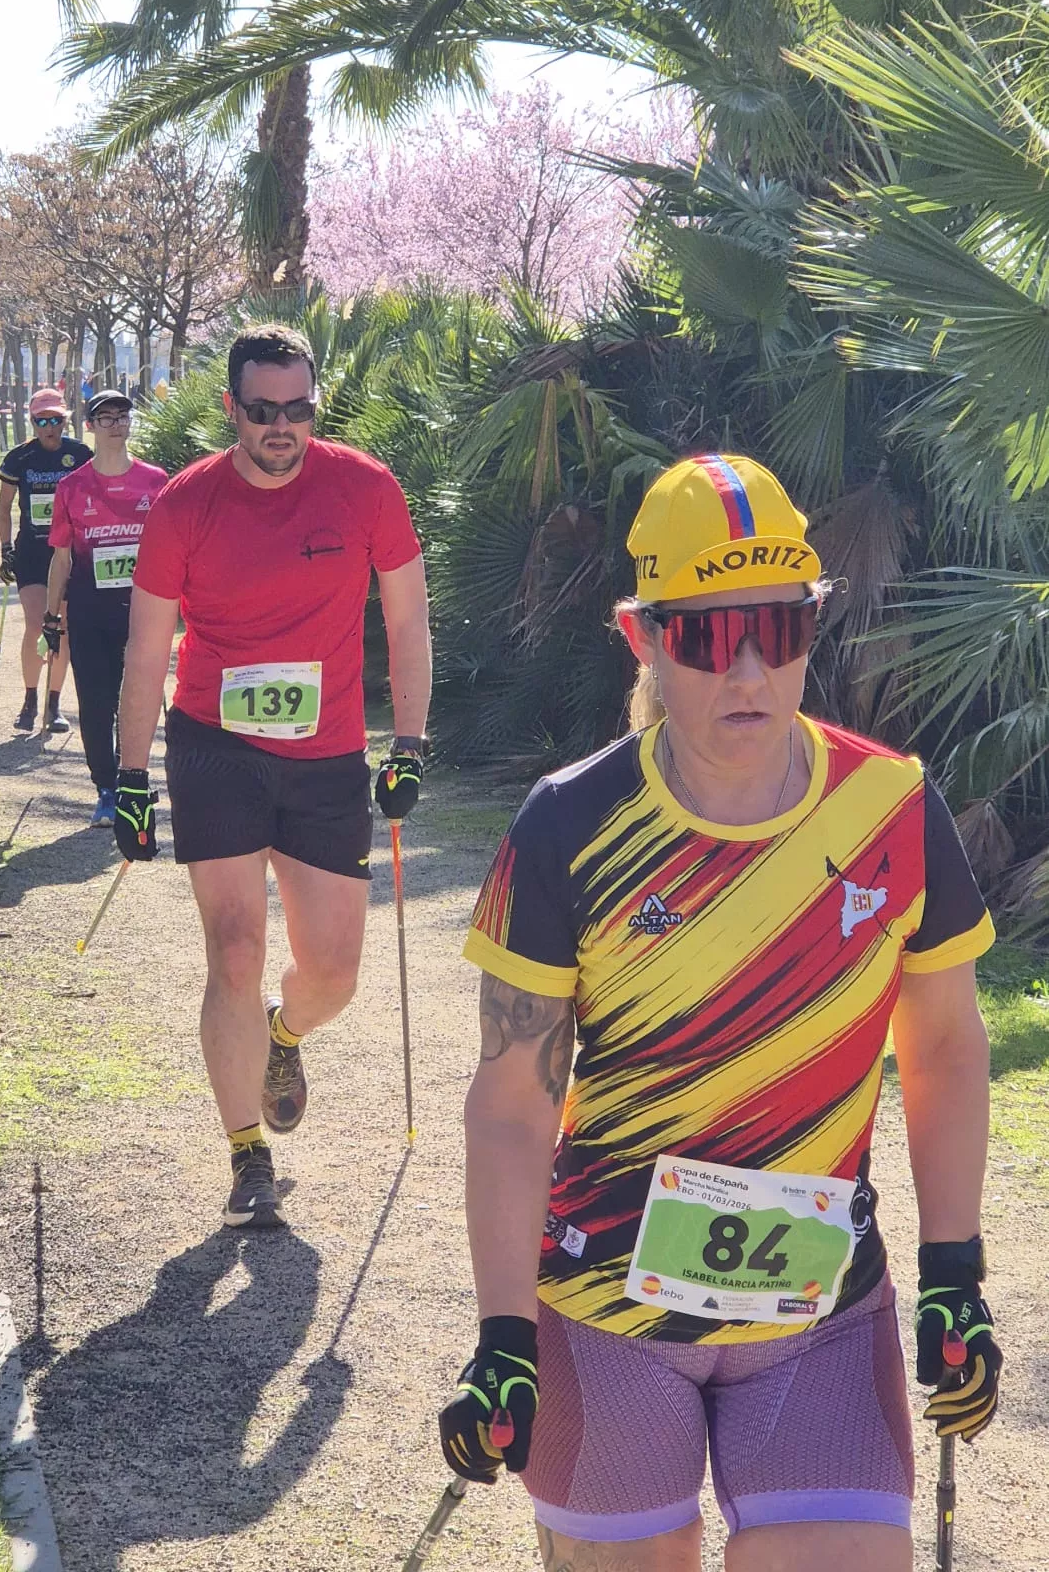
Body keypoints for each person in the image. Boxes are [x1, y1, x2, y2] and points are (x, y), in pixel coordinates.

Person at [440, 453, 1001, 1572]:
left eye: (778, 628)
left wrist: (955, 1274)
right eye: (703, 634)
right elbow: (511, 1106)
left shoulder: (891, 802)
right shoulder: (569, 826)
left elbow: (939, 1046)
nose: (746, 668)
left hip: (818, 1316)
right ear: (640, 636)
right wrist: (504, 1335)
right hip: (606, 1311)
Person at [113, 325, 433, 1230]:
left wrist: (409, 744)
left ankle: (285, 1036)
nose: (282, 428)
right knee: (236, 949)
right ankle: (246, 1153)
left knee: (333, 971)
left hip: (327, 754)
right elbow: (146, 651)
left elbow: (407, 622)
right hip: (217, 744)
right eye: (263, 412)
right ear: (232, 411)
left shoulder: (366, 488)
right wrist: (131, 777)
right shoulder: (185, 506)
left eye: (299, 410)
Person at [43, 389, 168, 824]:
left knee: (135, 698)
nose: (116, 423)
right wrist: (50, 614)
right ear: (91, 426)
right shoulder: (72, 486)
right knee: (96, 703)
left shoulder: (156, 481)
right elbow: (61, 556)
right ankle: (106, 788)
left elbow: (173, 551)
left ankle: (132, 776)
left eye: (123, 416)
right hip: (90, 610)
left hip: (142, 613)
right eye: (106, 417)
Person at [0, 388, 91, 733]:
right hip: (33, 552)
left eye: (56, 420)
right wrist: (6, 548)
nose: (50, 427)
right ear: (32, 423)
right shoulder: (19, 458)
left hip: (68, 553)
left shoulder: (80, 454)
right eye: (42, 421)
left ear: (66, 419)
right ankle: (30, 698)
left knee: (61, 629)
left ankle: (55, 705)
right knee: (37, 625)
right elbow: (4, 506)